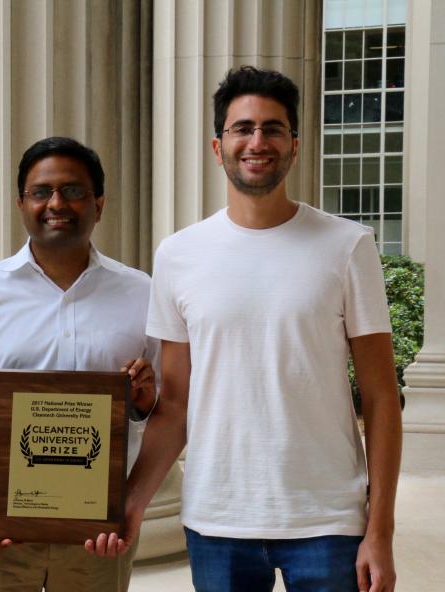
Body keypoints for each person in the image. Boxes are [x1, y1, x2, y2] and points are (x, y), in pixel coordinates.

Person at [89, 66, 402, 592]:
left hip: (327, 519)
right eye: (243, 128)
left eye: (273, 128)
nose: (258, 141)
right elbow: (175, 405)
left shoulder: (348, 245)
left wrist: (381, 530)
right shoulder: (179, 255)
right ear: (218, 146)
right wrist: (132, 501)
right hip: (218, 519)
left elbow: (381, 397)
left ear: (294, 145)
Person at [0, 136, 158, 591]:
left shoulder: (144, 294)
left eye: (74, 191)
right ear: (21, 203)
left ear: (99, 203)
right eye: (42, 191)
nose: (57, 203)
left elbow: (161, 408)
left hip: (96, 532)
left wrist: (144, 396)